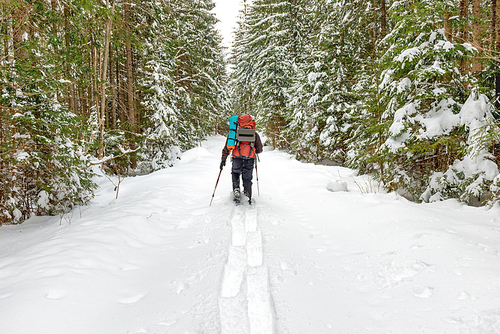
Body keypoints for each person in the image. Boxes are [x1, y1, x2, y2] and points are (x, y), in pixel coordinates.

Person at [220, 114, 263, 204]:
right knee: (247, 178)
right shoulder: (254, 134)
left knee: (235, 173)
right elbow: (259, 149)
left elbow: (227, 147)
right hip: (249, 159)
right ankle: (248, 195)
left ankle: (236, 189)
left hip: (236, 158)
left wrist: (223, 160)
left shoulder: (234, 133)